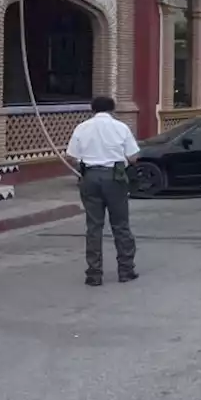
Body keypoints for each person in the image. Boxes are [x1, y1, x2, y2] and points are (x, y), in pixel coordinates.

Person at [64, 96, 141, 286]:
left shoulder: (82, 127)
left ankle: (94, 273)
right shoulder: (120, 127)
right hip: (115, 177)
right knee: (121, 225)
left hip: (89, 177)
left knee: (94, 226)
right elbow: (133, 157)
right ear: (113, 109)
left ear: (92, 109)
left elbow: (71, 155)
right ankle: (125, 270)